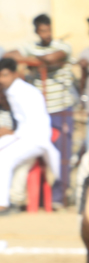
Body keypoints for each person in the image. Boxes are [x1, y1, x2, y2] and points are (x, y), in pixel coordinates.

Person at [7, 14, 75, 207]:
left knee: (62, 154)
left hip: (62, 109)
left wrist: (30, 60)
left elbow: (51, 58)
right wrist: (34, 60)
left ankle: (59, 196)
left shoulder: (63, 46)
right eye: (42, 31)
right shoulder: (32, 46)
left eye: (48, 30)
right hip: (41, 112)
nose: (46, 34)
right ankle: (31, 198)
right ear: (37, 31)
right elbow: (9, 55)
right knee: (33, 154)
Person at [0, 58, 60, 215]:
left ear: (15, 74)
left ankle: (3, 204)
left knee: (4, 158)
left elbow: (35, 125)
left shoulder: (25, 92)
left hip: (35, 139)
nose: (1, 80)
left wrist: (12, 135)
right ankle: (12, 199)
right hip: (22, 136)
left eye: (4, 75)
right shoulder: (10, 90)